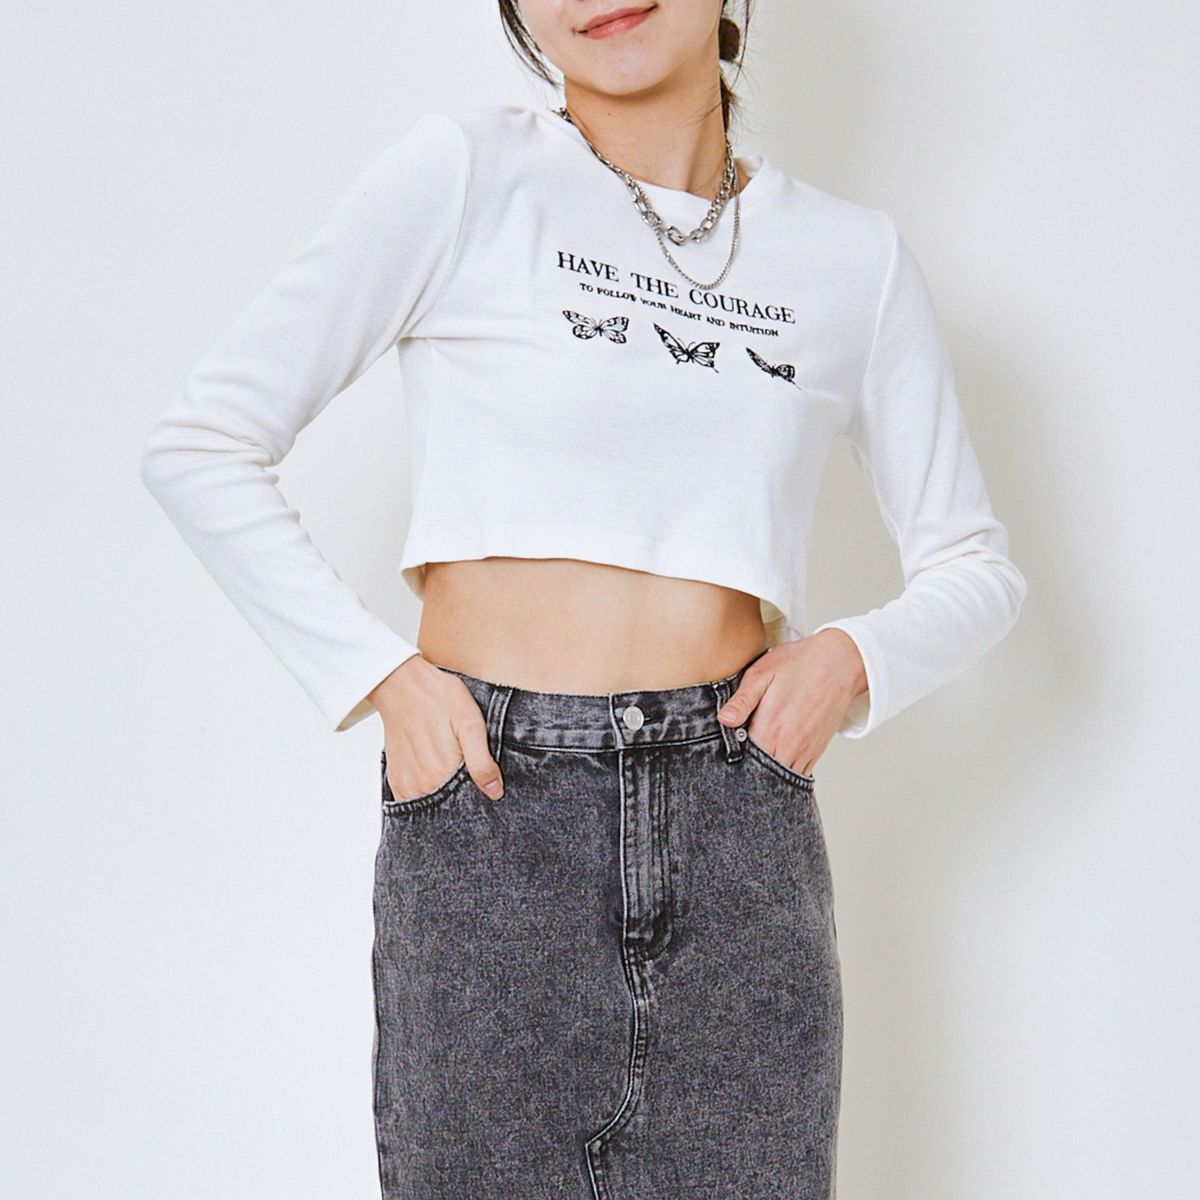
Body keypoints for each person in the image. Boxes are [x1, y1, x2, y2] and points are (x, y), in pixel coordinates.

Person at [140, 2, 1027, 1196]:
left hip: (738, 824)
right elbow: (202, 443)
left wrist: (850, 661)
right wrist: (382, 680)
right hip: (493, 813)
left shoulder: (850, 259)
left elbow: (976, 563)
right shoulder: (466, 175)